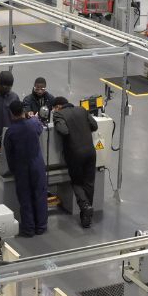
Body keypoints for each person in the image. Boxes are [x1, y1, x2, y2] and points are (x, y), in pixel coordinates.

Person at [2, 99, 48, 237]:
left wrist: (13, 170)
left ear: (11, 114)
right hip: (37, 165)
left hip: (21, 168)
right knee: (40, 195)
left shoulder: (10, 132)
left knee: (25, 198)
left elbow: (9, 154)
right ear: (23, 111)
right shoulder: (33, 123)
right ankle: (41, 226)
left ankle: (28, 229)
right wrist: (31, 117)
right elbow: (40, 127)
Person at [51, 96, 99, 228]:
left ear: (58, 106)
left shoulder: (59, 114)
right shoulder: (82, 110)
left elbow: (63, 131)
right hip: (90, 152)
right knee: (89, 183)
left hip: (75, 154)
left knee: (76, 182)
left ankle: (85, 205)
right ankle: (86, 218)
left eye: (54, 108)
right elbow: (94, 126)